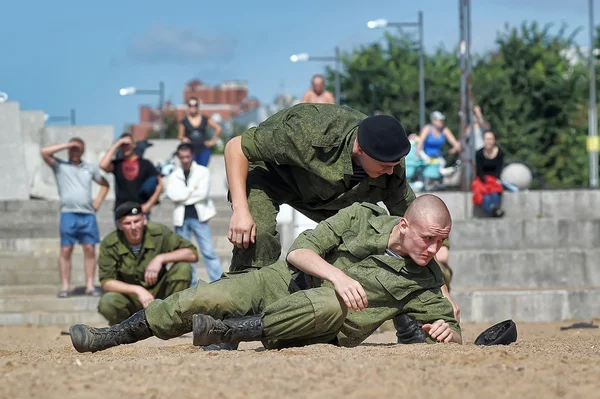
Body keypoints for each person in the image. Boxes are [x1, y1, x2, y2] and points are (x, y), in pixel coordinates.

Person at [69, 195, 462, 353]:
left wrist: (449, 331)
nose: (434, 249)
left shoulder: (424, 280)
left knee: (332, 302)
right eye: (428, 239)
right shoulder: (361, 216)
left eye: (440, 241)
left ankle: (227, 333)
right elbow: (299, 252)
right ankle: (111, 336)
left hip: (321, 320)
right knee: (206, 298)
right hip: (283, 280)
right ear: (405, 226)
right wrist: (339, 275)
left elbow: (453, 334)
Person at [94, 202, 197, 326]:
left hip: (161, 296)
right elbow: (106, 282)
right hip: (131, 298)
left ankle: (171, 322)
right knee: (107, 302)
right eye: (127, 223)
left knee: (183, 268)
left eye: (136, 221)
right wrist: (138, 290)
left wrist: (160, 258)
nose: (133, 227)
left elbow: (192, 253)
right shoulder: (110, 243)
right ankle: (127, 328)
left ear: (144, 220)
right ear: (120, 225)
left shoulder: (159, 232)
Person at [41, 138, 110, 298]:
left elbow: (105, 184)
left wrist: (97, 202)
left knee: (89, 249)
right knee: (66, 249)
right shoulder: (60, 166)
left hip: (87, 215)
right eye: (72, 148)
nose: (74, 151)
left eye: (77, 148)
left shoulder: (90, 168)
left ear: (83, 150)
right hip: (68, 213)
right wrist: (67, 144)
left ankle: (90, 285)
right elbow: (44, 152)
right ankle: (65, 286)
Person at [166, 143, 223, 284]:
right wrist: (192, 189)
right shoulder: (174, 175)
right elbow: (173, 195)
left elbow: (202, 194)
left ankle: (218, 283)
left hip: (199, 217)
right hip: (181, 219)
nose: (185, 160)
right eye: (182, 157)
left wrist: (183, 194)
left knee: (208, 252)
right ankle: (190, 285)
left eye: (187, 156)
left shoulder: (203, 171)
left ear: (192, 155)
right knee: (186, 254)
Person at [99, 133, 163, 219]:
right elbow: (103, 165)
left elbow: (160, 186)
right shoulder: (117, 164)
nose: (125, 147)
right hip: (121, 209)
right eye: (123, 145)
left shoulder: (146, 164)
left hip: (140, 210)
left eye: (128, 144)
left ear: (134, 145)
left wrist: (148, 205)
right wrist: (117, 144)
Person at [473, 130, 512, 217]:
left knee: (494, 193)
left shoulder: (500, 154)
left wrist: (493, 180)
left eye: (490, 139)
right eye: (487, 139)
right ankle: (493, 211)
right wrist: (485, 181)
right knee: (485, 196)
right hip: (482, 179)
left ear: (494, 140)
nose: (488, 141)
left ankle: (494, 209)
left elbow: (499, 169)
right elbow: (479, 170)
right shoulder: (479, 153)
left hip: (494, 179)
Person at [177, 97, 223, 167]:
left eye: (195, 105)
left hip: (203, 149)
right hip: (190, 150)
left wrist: (212, 141)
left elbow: (218, 128)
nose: (193, 107)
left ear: (198, 106)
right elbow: (180, 136)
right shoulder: (184, 121)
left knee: (203, 169)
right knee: (193, 169)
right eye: (190, 105)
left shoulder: (205, 119)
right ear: (188, 107)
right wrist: (184, 139)